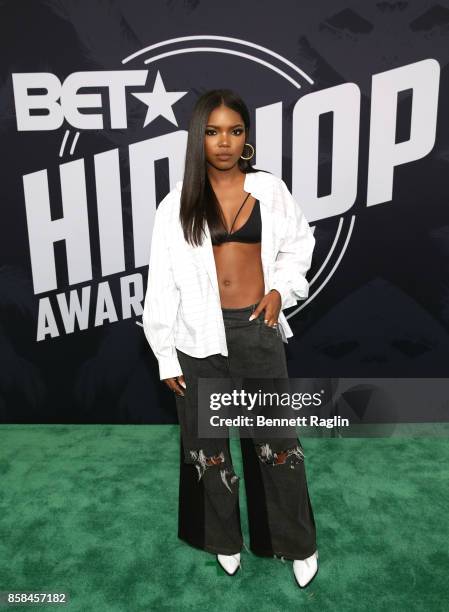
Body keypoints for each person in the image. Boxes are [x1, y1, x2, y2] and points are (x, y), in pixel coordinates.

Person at [142, 89, 319, 588]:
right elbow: (162, 283)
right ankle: (223, 540)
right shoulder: (176, 203)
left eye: (235, 131)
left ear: (246, 139)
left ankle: (295, 542)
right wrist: (164, 355)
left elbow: (300, 244)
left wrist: (282, 289)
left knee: (278, 443)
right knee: (207, 447)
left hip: (257, 330)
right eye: (213, 131)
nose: (224, 141)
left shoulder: (269, 190)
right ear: (199, 138)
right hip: (196, 338)